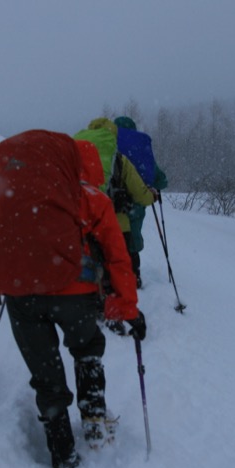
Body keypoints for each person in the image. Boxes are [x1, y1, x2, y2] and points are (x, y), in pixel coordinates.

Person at [0, 130, 146, 468]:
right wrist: (126, 307)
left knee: (46, 374)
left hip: (22, 297)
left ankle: (62, 452)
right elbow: (117, 257)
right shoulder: (91, 199)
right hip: (75, 295)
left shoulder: (20, 195)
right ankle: (95, 419)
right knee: (86, 350)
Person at [76, 118, 158, 332]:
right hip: (116, 223)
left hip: (82, 221)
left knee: (90, 263)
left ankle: (92, 304)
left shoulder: (76, 154)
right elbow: (140, 192)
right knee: (116, 267)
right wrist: (151, 197)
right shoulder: (119, 160)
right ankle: (115, 313)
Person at [113, 116, 169, 289]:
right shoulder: (140, 147)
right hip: (137, 200)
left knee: (112, 235)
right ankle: (134, 275)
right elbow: (160, 179)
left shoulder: (109, 143)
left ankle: (112, 275)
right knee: (133, 236)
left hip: (112, 197)